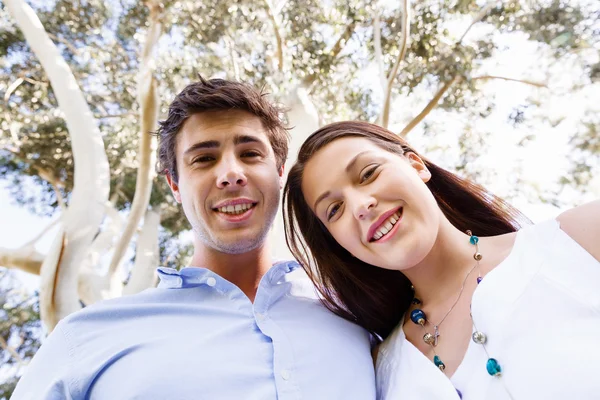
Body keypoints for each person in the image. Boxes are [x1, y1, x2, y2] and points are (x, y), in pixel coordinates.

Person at [12, 79, 376, 400]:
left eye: (250, 154)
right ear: (174, 185)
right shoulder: (84, 340)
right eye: (204, 158)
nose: (231, 173)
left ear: (280, 173)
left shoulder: (357, 312)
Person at [283, 120, 600, 400]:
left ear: (416, 165)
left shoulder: (579, 239)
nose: (360, 206)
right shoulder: (381, 372)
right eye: (334, 209)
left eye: (368, 173)